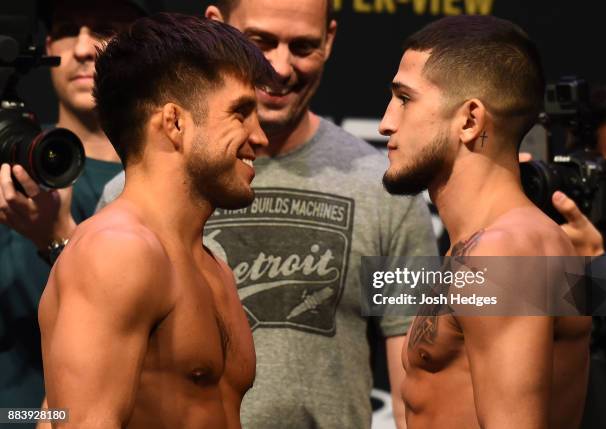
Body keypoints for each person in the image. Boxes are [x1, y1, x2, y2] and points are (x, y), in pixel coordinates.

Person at [97, 0, 438, 427]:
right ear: (217, 27)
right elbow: (71, 405)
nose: (279, 67)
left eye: (302, 46)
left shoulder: (384, 188)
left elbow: (419, 382)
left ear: (330, 40)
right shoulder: (124, 211)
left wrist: (532, 260)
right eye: (261, 43)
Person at [39, 12, 275, 428]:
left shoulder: (213, 266)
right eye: (241, 113)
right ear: (175, 122)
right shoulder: (118, 251)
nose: (260, 137)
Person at [379, 15, 591, 428]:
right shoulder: (490, 244)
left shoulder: (507, 250)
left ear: (470, 120)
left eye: (405, 98)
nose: (387, 121)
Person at [0, 0, 145, 414]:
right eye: (67, 28)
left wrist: (58, 237)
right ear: (46, 45)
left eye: (103, 28)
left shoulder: (170, 182)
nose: (83, 48)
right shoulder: (5, 159)